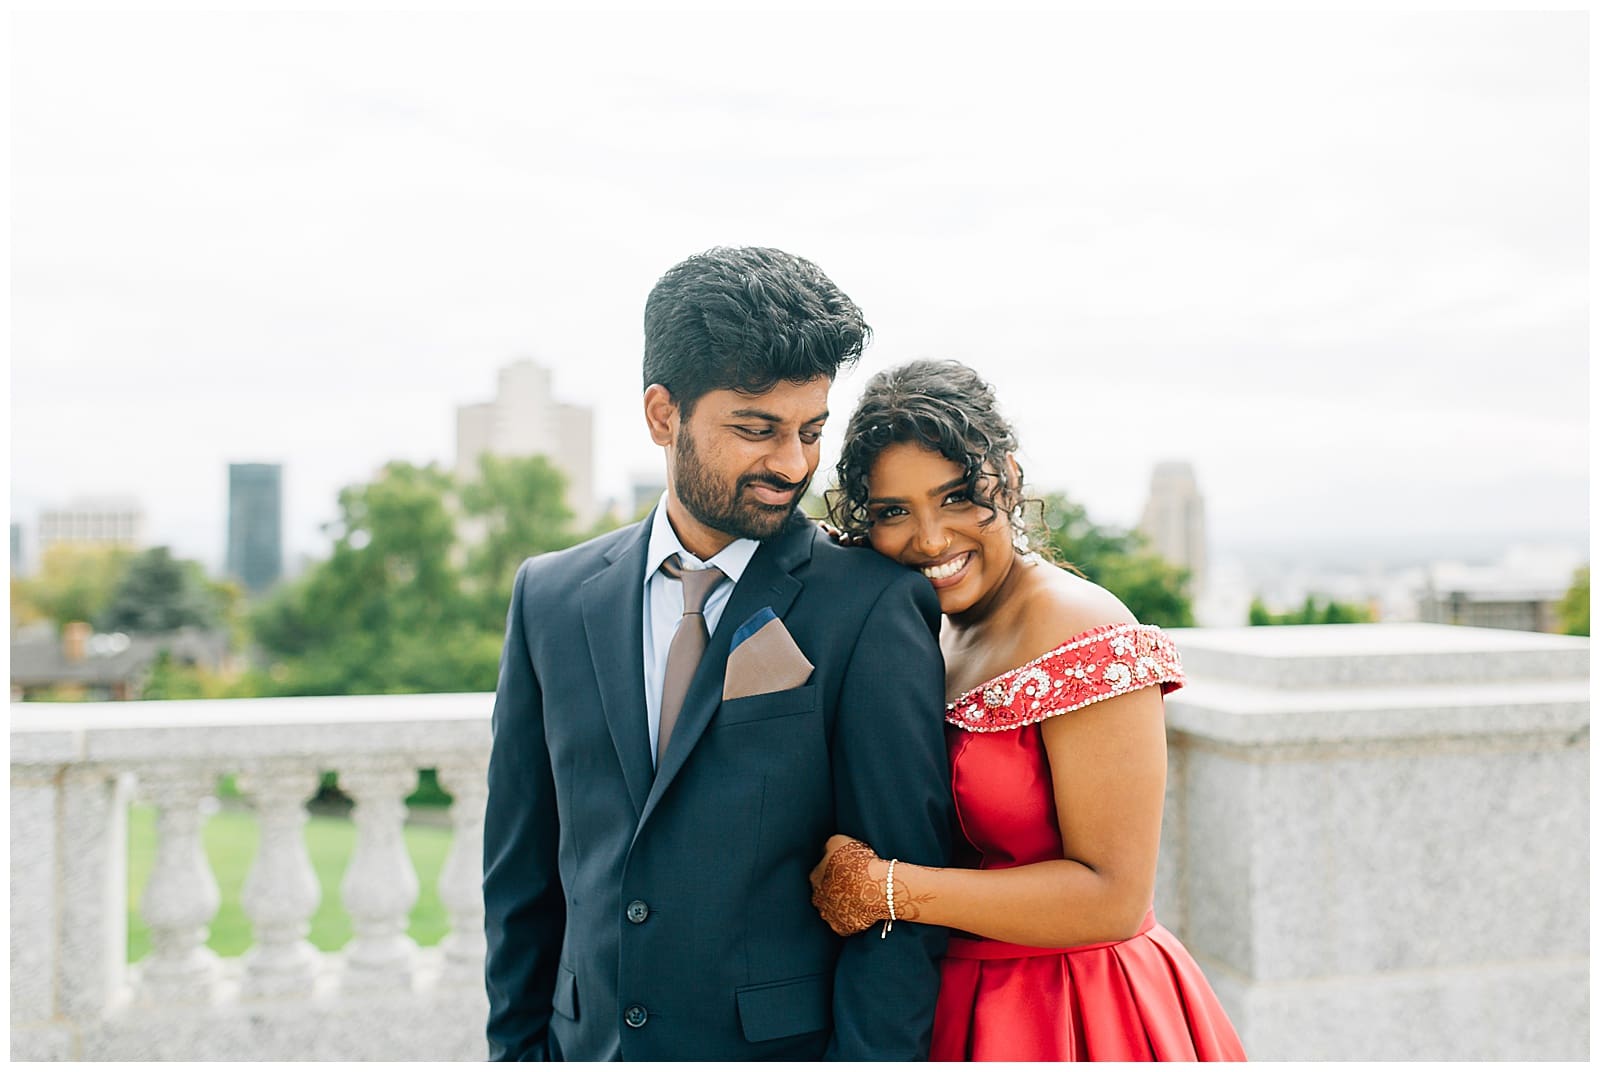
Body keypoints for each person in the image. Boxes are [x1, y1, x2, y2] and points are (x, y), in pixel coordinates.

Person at [483, 247, 955, 1061]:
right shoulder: (550, 599)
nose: (792, 465)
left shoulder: (871, 607)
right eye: (756, 429)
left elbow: (897, 912)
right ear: (663, 415)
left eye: (810, 431)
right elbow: (520, 876)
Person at [808, 358, 1246, 1062]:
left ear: (1007, 480)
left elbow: (1113, 897)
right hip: (947, 1006)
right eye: (894, 512)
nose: (929, 539)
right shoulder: (930, 627)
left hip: (1075, 1010)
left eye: (956, 498)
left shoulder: (1083, 628)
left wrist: (887, 888)